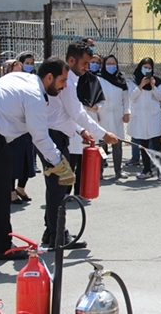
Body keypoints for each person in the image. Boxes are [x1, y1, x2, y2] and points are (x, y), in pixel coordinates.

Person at [0, 57, 69, 260]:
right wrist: (60, 163)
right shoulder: (34, 95)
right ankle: (3, 246)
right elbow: (40, 136)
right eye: (62, 81)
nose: (64, 86)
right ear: (49, 77)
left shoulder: (20, 78)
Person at [41, 42, 119, 249]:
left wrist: (81, 131)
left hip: (58, 134)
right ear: (72, 60)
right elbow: (77, 113)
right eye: (84, 63)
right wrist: (103, 134)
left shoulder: (70, 79)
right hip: (54, 137)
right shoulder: (67, 81)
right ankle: (59, 234)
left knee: (57, 187)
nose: (87, 67)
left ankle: (51, 232)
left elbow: (67, 114)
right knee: (59, 188)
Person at [67, 54, 105, 194]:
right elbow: (74, 109)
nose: (88, 67)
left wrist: (96, 107)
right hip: (75, 125)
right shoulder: (69, 82)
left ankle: (80, 191)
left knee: (84, 161)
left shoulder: (94, 80)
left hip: (89, 119)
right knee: (71, 160)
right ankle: (66, 192)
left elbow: (101, 100)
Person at [2, 60, 35, 204]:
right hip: (11, 130)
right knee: (12, 162)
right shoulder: (2, 86)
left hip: (26, 128)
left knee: (27, 161)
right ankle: (10, 191)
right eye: (15, 70)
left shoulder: (26, 85)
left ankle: (21, 187)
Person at [127, 57, 161, 180]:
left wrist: (153, 86)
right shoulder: (133, 81)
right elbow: (131, 96)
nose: (147, 70)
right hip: (140, 118)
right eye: (145, 67)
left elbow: (159, 97)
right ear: (140, 67)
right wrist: (141, 85)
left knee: (157, 145)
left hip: (153, 117)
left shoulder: (157, 81)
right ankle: (147, 170)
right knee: (143, 145)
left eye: (149, 68)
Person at [97, 55, 130, 178]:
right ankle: (99, 170)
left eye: (113, 64)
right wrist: (96, 114)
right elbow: (95, 97)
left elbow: (126, 99)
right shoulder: (99, 79)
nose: (111, 66)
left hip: (117, 116)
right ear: (104, 65)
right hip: (102, 114)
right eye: (108, 64)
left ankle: (118, 170)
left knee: (117, 143)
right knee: (101, 144)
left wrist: (127, 112)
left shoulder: (121, 80)